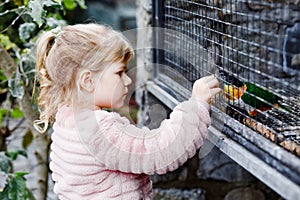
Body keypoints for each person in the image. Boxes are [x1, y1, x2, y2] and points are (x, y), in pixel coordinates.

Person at [34, 23, 221, 200]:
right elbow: (161, 150)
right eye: (119, 72)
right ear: (88, 81)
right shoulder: (101, 129)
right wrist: (196, 105)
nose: (127, 81)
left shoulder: (66, 121)